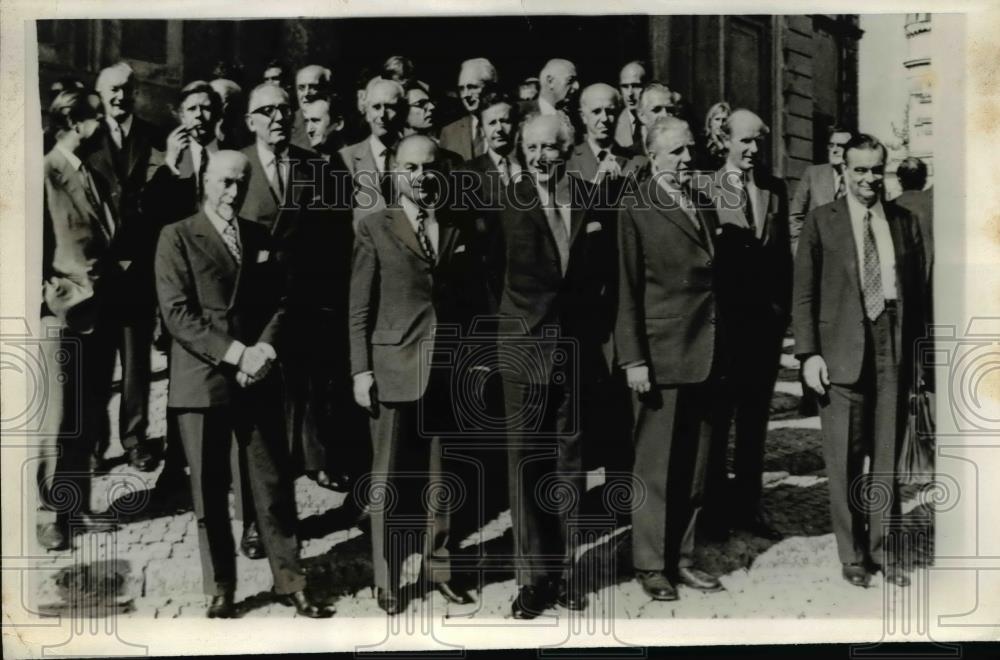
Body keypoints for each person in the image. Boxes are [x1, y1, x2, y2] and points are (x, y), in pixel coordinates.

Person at [154, 150, 334, 619]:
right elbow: (178, 315)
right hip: (205, 378)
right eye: (223, 182)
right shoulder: (175, 236)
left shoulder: (259, 236)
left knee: (272, 485)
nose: (232, 192)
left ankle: (291, 581)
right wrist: (236, 353)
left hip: (257, 376)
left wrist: (266, 351)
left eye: (240, 183)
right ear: (205, 183)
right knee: (210, 492)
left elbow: (281, 300)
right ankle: (221, 588)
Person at [349, 135, 488, 615]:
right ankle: (386, 581)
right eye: (411, 168)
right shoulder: (375, 227)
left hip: (445, 369)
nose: (422, 177)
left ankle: (441, 568)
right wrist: (360, 370)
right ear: (395, 173)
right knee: (387, 480)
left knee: (442, 479)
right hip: (391, 367)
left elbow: (471, 300)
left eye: (429, 167)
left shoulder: (455, 225)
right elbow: (358, 309)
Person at [495, 113, 617, 619]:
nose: (544, 157)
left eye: (553, 148)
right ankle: (532, 578)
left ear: (568, 150)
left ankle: (565, 573)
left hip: (575, 352)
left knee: (570, 466)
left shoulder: (590, 197)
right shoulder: (505, 204)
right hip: (523, 353)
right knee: (527, 466)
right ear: (522, 152)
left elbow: (604, 274)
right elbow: (486, 279)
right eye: (534, 148)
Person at [792, 134, 926, 589]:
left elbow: (920, 298)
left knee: (886, 453)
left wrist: (920, 363)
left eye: (875, 170)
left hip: (891, 337)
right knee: (845, 457)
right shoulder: (821, 221)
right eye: (859, 170)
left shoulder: (905, 222)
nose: (868, 179)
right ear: (844, 171)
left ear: (884, 170)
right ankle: (851, 554)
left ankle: (883, 549)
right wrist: (808, 354)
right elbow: (804, 293)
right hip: (840, 346)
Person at [617, 117, 726, 601]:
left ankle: (681, 558)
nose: (687, 160)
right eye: (677, 152)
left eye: (691, 151)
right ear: (653, 155)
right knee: (655, 469)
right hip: (660, 357)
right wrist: (633, 359)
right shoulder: (636, 208)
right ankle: (649, 563)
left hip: (705, 353)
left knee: (695, 468)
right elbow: (626, 291)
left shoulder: (701, 203)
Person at [701, 108, 791, 542]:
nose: (753, 150)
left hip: (763, 331)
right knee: (718, 424)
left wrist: (781, 315)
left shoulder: (775, 190)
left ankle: (748, 507)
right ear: (726, 141)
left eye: (758, 142)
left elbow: (781, 261)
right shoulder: (706, 188)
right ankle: (715, 513)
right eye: (745, 141)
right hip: (723, 331)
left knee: (755, 423)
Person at [36, 89, 120, 551]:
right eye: (97, 118)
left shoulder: (94, 174)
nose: (103, 126)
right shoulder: (45, 173)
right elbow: (29, 244)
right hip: (64, 313)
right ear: (74, 121)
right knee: (58, 419)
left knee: (88, 415)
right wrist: (51, 298)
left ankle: (78, 506)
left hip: (100, 310)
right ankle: (50, 515)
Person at [86, 61, 161, 474]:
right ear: (100, 95)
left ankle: (134, 439)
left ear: (136, 93)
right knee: (98, 365)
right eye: (113, 90)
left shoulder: (152, 137)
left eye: (127, 89)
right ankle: (95, 447)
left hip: (138, 271)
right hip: (98, 273)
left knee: (136, 365)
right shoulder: (87, 137)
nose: (120, 96)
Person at [340, 77, 408, 227]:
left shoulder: (416, 154)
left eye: (390, 107)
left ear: (403, 111)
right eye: (376, 107)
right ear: (367, 112)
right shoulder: (345, 159)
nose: (382, 115)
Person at [789, 125, 854, 254]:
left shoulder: (858, 177)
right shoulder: (813, 174)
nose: (834, 150)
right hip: (817, 253)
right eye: (831, 145)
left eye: (840, 146)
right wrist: (798, 248)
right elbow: (795, 216)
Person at [568, 83, 646, 188]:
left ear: (618, 113)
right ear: (583, 117)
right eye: (596, 112)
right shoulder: (569, 160)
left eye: (610, 111)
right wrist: (598, 179)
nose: (604, 118)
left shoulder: (638, 162)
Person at [439, 58, 497, 161]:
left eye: (472, 87)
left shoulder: (508, 126)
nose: (465, 95)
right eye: (461, 89)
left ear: (490, 89)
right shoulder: (449, 132)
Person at [892, 156, 933, 279]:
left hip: (909, 278)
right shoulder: (935, 203)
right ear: (924, 179)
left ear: (899, 180)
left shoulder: (892, 207)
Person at [291, 64, 333, 150]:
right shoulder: (288, 123)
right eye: (301, 88)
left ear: (326, 89)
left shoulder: (335, 122)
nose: (306, 93)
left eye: (313, 87)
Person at [634, 83, 681, 155]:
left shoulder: (690, 157)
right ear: (641, 116)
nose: (664, 115)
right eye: (656, 109)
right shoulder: (628, 156)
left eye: (670, 110)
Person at [615, 61, 648, 152]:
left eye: (636, 86)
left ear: (647, 86)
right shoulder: (613, 122)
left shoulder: (659, 117)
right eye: (625, 86)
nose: (630, 93)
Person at [698, 101, 731, 171]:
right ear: (710, 121)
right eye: (717, 119)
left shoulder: (731, 141)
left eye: (724, 120)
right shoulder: (701, 141)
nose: (720, 124)